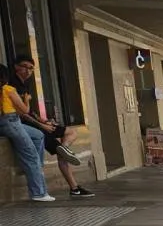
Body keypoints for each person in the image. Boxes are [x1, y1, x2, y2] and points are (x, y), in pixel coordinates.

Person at [11, 55, 93, 198]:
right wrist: (41, 126)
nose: (28, 71)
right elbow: (21, 113)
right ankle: (73, 187)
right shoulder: (12, 86)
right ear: (16, 67)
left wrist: (44, 121)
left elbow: (30, 110)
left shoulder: (25, 85)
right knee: (60, 153)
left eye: (31, 68)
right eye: (24, 66)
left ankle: (65, 149)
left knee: (70, 132)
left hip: (37, 124)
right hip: (28, 127)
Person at [0, 65, 54, 202]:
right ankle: (39, 193)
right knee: (31, 156)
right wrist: (26, 99)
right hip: (12, 122)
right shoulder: (9, 90)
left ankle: (33, 167)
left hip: (7, 122)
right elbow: (24, 110)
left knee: (38, 135)